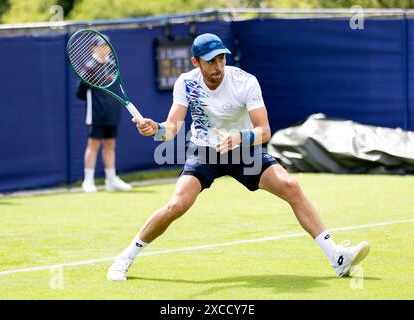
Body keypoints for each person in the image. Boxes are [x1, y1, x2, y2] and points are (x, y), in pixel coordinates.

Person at [107, 33, 370, 281]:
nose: (218, 66)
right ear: (196, 62)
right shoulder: (186, 82)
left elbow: (264, 131)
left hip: (244, 149)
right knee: (177, 205)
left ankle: (336, 257)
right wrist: (156, 130)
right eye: (210, 61)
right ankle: (124, 258)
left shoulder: (245, 81)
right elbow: (172, 128)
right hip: (204, 151)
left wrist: (240, 138)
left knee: (291, 186)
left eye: (221, 58)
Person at [76, 34, 131, 193]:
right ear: (94, 47)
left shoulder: (113, 65)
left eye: (106, 46)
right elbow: (80, 93)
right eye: (101, 46)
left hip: (112, 113)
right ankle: (88, 181)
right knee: (93, 145)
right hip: (96, 114)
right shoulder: (89, 67)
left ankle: (111, 180)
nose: (105, 49)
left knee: (110, 145)